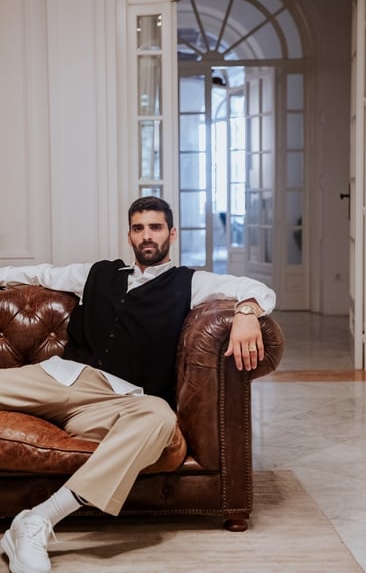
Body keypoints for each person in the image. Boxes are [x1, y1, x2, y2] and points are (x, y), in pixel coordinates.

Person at [0, 196, 276, 573]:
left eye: (155, 227)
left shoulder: (189, 283)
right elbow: (37, 275)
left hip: (116, 402)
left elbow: (255, 288)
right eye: (139, 228)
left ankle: (37, 521)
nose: (147, 236)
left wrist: (245, 312)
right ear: (129, 235)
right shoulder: (96, 274)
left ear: (172, 233)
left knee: (159, 418)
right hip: (61, 378)